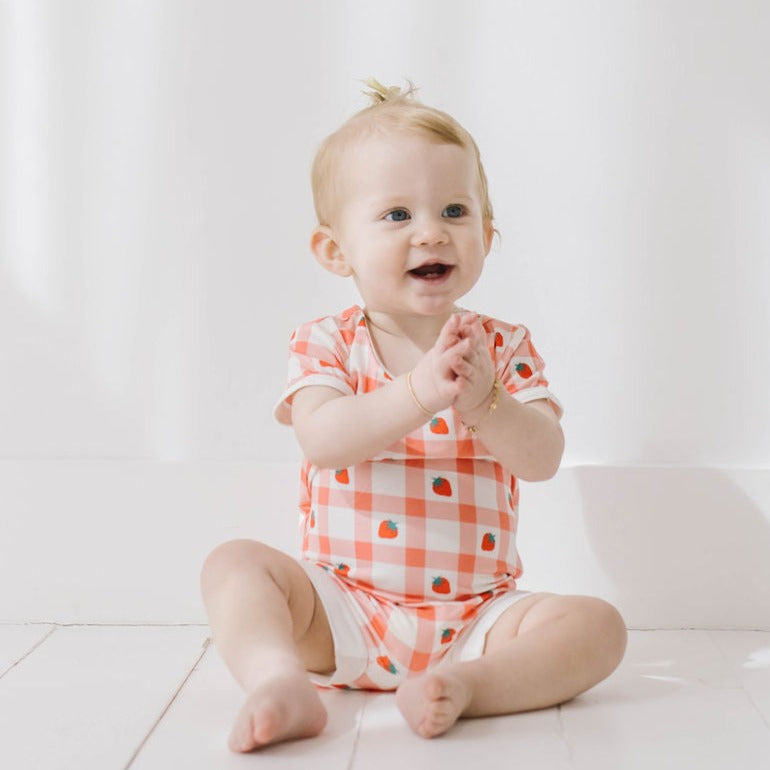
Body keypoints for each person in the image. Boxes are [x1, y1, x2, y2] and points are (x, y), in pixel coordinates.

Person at [200, 79, 627, 752]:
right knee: (233, 565)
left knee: (599, 627)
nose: (432, 231)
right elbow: (324, 439)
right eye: (397, 215)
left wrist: (485, 400)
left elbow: (541, 459)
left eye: (455, 210)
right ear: (335, 251)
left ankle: (473, 686)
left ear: (486, 235)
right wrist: (420, 394)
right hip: (342, 608)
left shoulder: (501, 347)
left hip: (480, 617)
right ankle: (279, 680)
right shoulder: (328, 342)